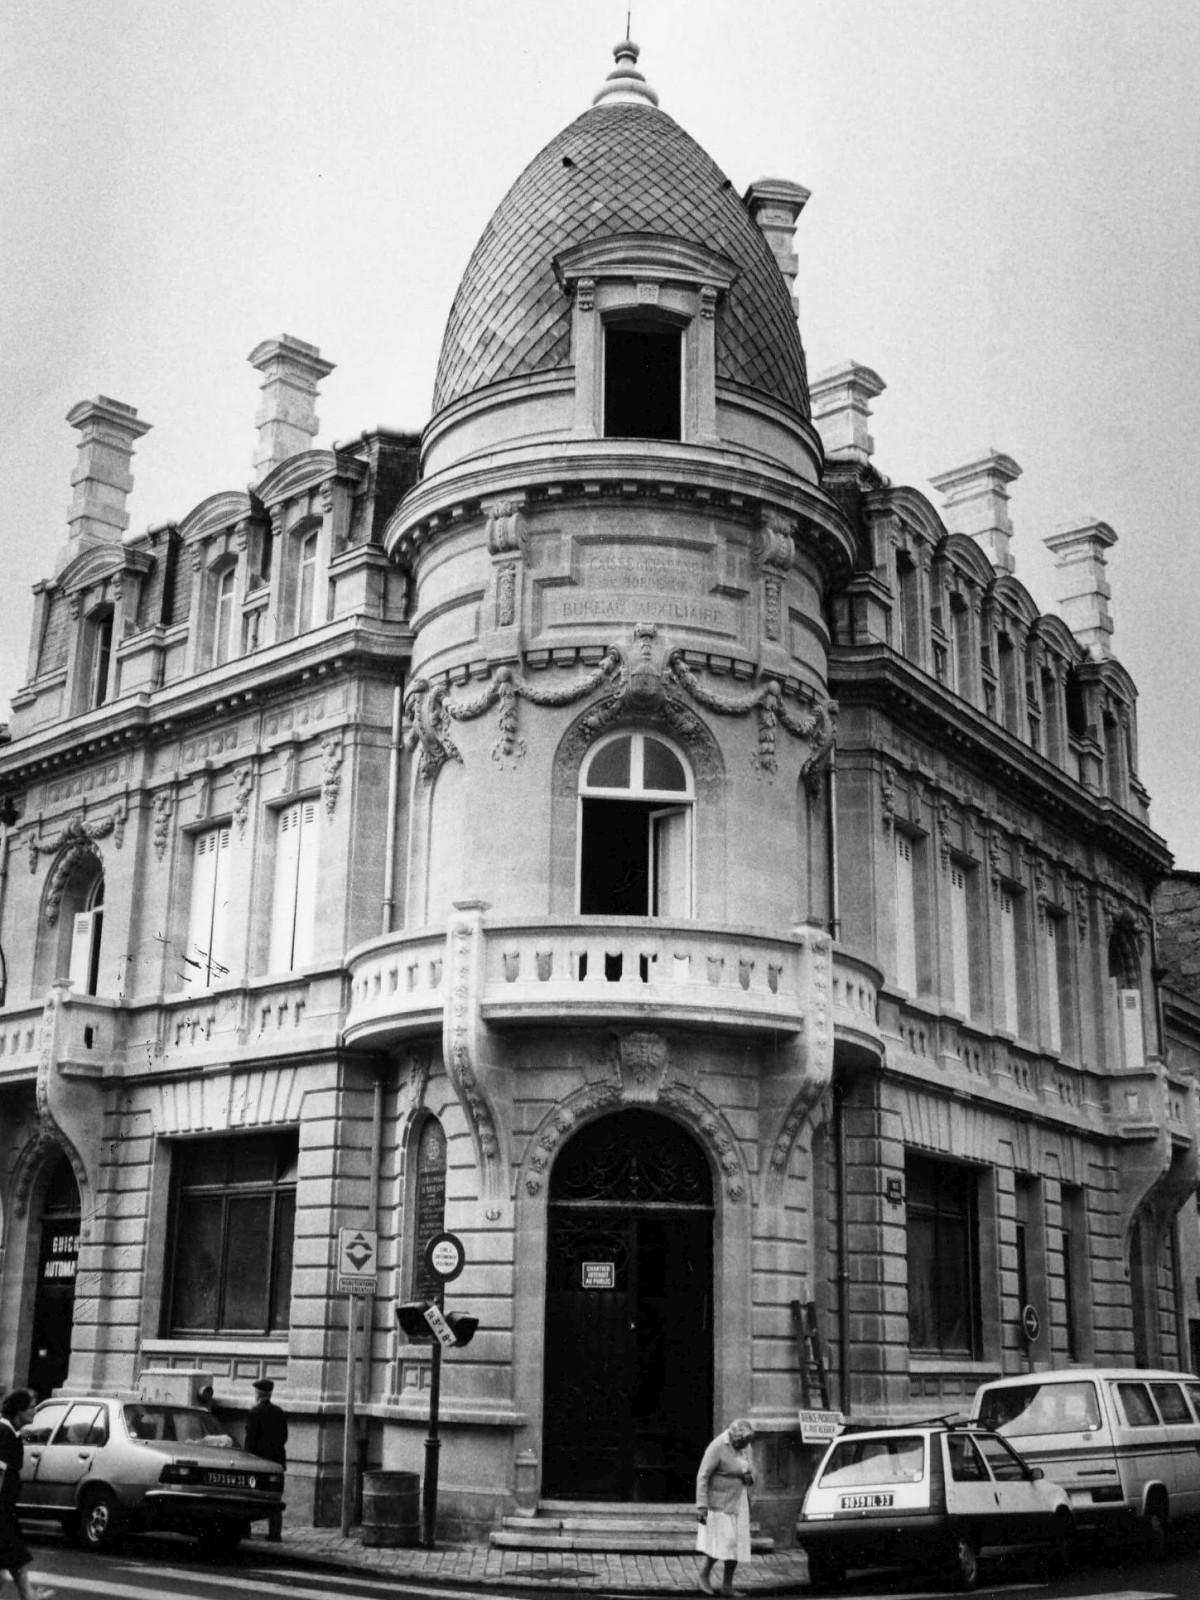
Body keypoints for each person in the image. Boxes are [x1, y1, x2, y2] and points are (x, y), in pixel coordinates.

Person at [0, 1389, 54, 1600]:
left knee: (13, 1554)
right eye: (31, 1407)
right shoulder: (4, 1433)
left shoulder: (10, 1431)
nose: (35, 1411)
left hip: (6, 1506)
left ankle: (27, 1594)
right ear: (18, 1411)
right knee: (13, 1553)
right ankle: (27, 1595)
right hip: (1, 1507)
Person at [695, 1418, 755, 1596]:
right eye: (739, 1442)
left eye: (745, 1443)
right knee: (723, 1543)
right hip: (720, 1502)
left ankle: (727, 1585)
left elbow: (752, 1470)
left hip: (739, 1501)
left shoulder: (746, 1446)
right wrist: (701, 1506)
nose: (742, 1446)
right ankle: (703, 1576)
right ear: (731, 1434)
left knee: (737, 1545)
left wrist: (750, 1477)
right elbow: (703, 1476)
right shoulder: (717, 1446)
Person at [243, 1378, 287, 1541]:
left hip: (258, 1461)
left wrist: (247, 1459)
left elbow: (250, 1440)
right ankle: (275, 1533)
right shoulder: (279, 1412)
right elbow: (284, 1437)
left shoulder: (254, 1413)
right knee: (274, 1497)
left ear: (258, 1395)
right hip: (276, 1462)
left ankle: (245, 1530)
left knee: (249, 1496)